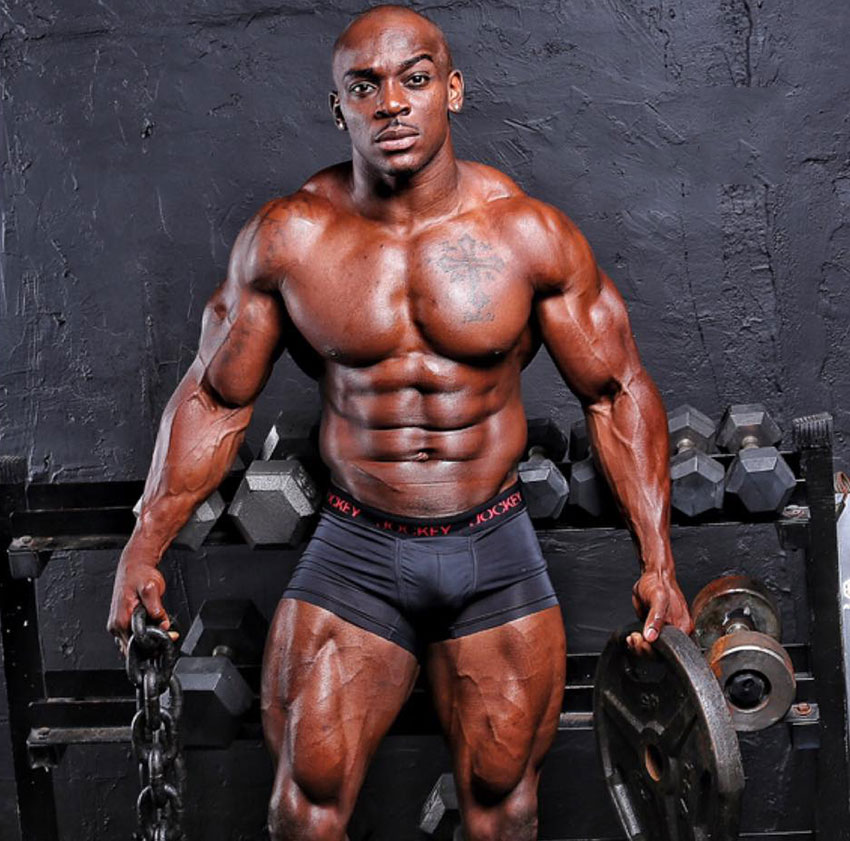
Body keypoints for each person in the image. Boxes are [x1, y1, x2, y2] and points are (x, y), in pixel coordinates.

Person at [108, 5, 693, 840]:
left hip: (494, 548)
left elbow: (617, 389)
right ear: (337, 107)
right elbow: (215, 396)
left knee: (504, 809)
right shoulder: (291, 240)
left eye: (414, 79)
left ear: (451, 90)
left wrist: (658, 560)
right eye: (364, 85)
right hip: (358, 548)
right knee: (302, 809)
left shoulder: (528, 235)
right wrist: (143, 547)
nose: (390, 103)